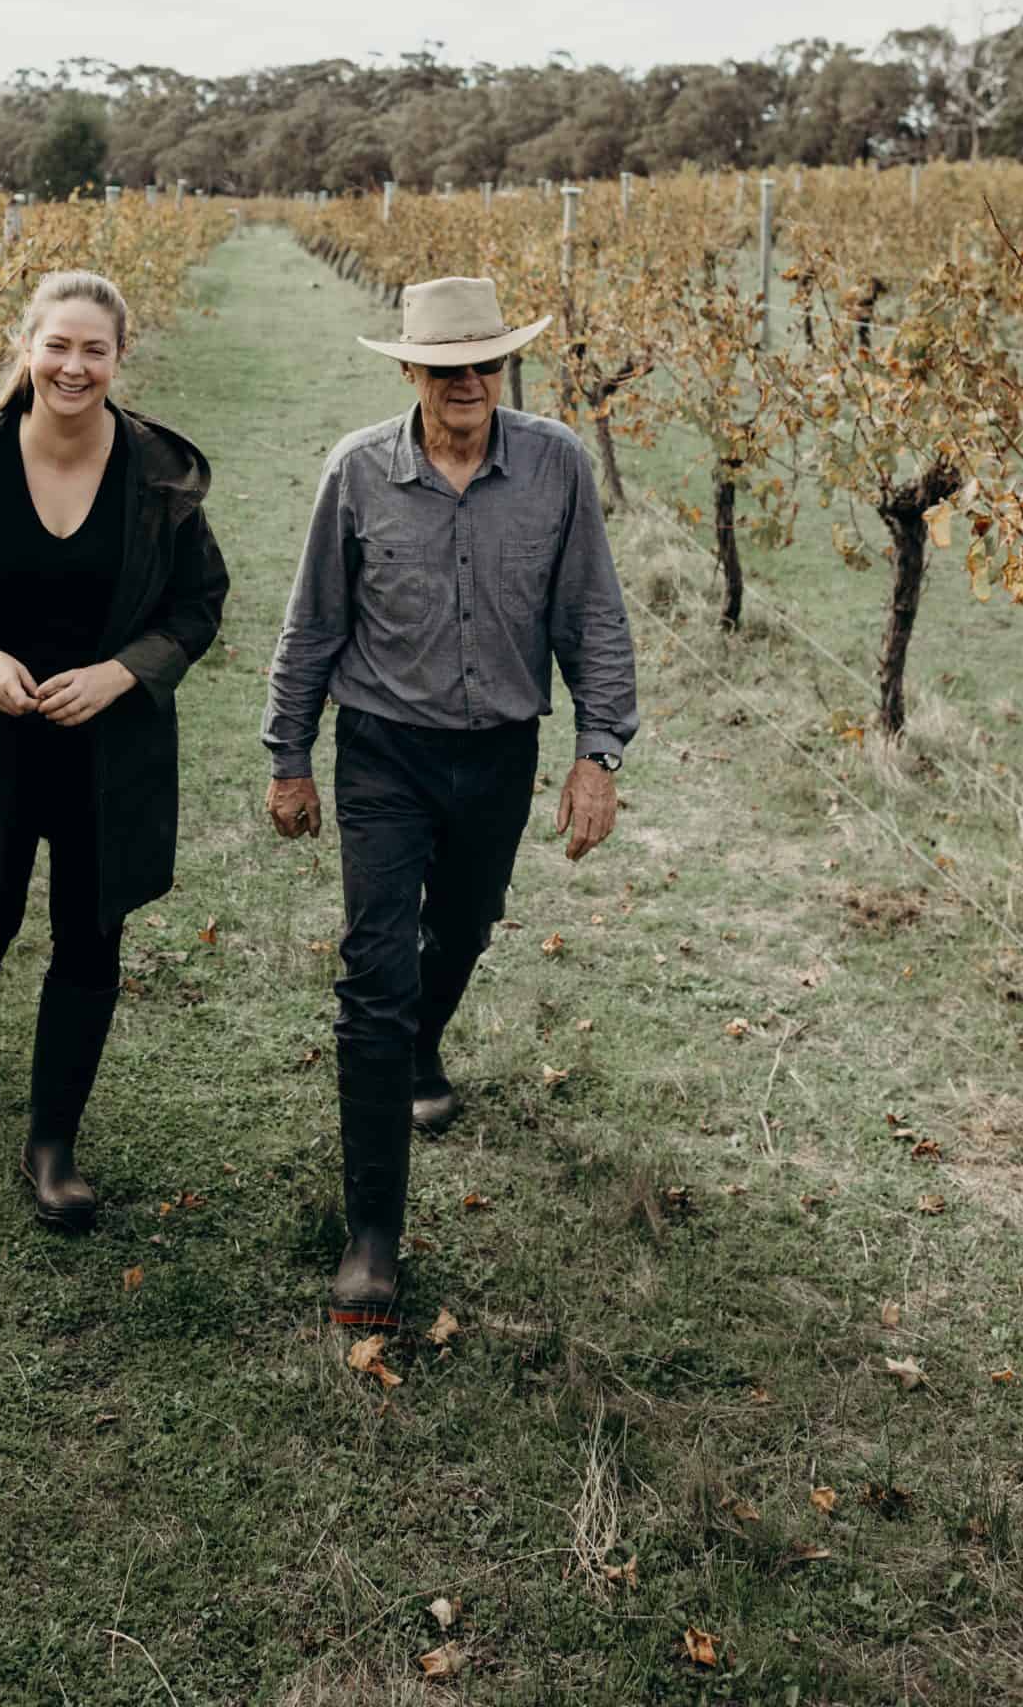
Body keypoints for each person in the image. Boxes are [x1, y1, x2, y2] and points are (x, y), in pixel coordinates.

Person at [262, 274, 638, 1326]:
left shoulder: (556, 464)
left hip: (498, 754)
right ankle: (372, 1237)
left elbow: (592, 615)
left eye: (484, 361)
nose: (467, 380)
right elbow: (311, 623)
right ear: (409, 371)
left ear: (504, 366)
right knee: (371, 978)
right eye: (444, 366)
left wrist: (597, 754)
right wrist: (289, 756)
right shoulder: (357, 471)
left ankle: (423, 1038)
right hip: (383, 754)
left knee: (465, 925)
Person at [0, 268, 229, 1232]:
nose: (73, 366)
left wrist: (122, 673)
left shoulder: (158, 476)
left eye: (94, 349)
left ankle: (52, 1146)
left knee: (90, 933)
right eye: (57, 346)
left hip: (106, 749)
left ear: (120, 358)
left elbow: (198, 603)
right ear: (27, 350)